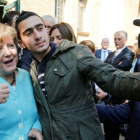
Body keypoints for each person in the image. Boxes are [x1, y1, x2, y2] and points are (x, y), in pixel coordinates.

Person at [15, 11, 140, 140]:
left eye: (40, 28)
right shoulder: (31, 71)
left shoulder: (75, 54)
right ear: (21, 43)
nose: (37, 36)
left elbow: (113, 78)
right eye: (29, 33)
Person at [0, 23, 43, 140]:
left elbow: (35, 115)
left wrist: (36, 128)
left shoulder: (26, 76)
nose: (8, 53)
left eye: (10, 46)